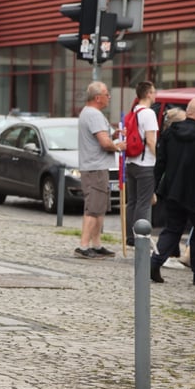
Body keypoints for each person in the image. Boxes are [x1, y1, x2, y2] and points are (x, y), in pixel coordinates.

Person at [151, 98, 195, 286]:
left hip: (172, 190)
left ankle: (154, 262)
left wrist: (154, 188)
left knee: (172, 229)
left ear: (188, 111)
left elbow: (160, 163)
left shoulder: (171, 132)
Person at [76, 81, 126, 259]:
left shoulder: (89, 113)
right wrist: (119, 145)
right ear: (98, 98)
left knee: (99, 208)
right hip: (95, 168)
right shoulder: (94, 115)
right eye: (106, 94)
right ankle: (83, 246)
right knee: (93, 208)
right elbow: (104, 144)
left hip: (95, 167)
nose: (109, 97)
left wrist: (112, 134)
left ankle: (96, 244)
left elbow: (102, 136)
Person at [124, 81, 158, 246]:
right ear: (148, 94)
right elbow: (151, 141)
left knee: (133, 201)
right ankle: (140, 238)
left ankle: (130, 237)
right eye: (154, 91)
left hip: (131, 162)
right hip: (145, 164)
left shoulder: (134, 111)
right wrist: (158, 160)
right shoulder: (149, 114)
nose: (155, 94)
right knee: (144, 202)